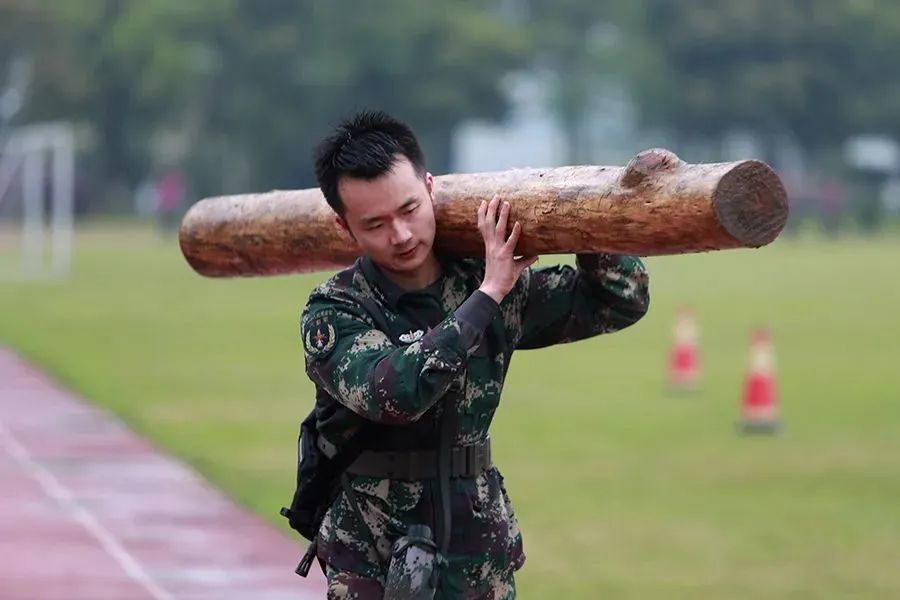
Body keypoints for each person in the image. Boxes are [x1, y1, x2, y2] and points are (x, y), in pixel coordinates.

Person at [299, 110, 650, 599]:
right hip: (373, 542)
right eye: (375, 224)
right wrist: (488, 294)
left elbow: (618, 302)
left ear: (430, 187)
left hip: (476, 539)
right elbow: (396, 394)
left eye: (408, 209)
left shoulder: (485, 281)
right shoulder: (335, 310)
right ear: (344, 227)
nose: (400, 235)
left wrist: (582, 222)